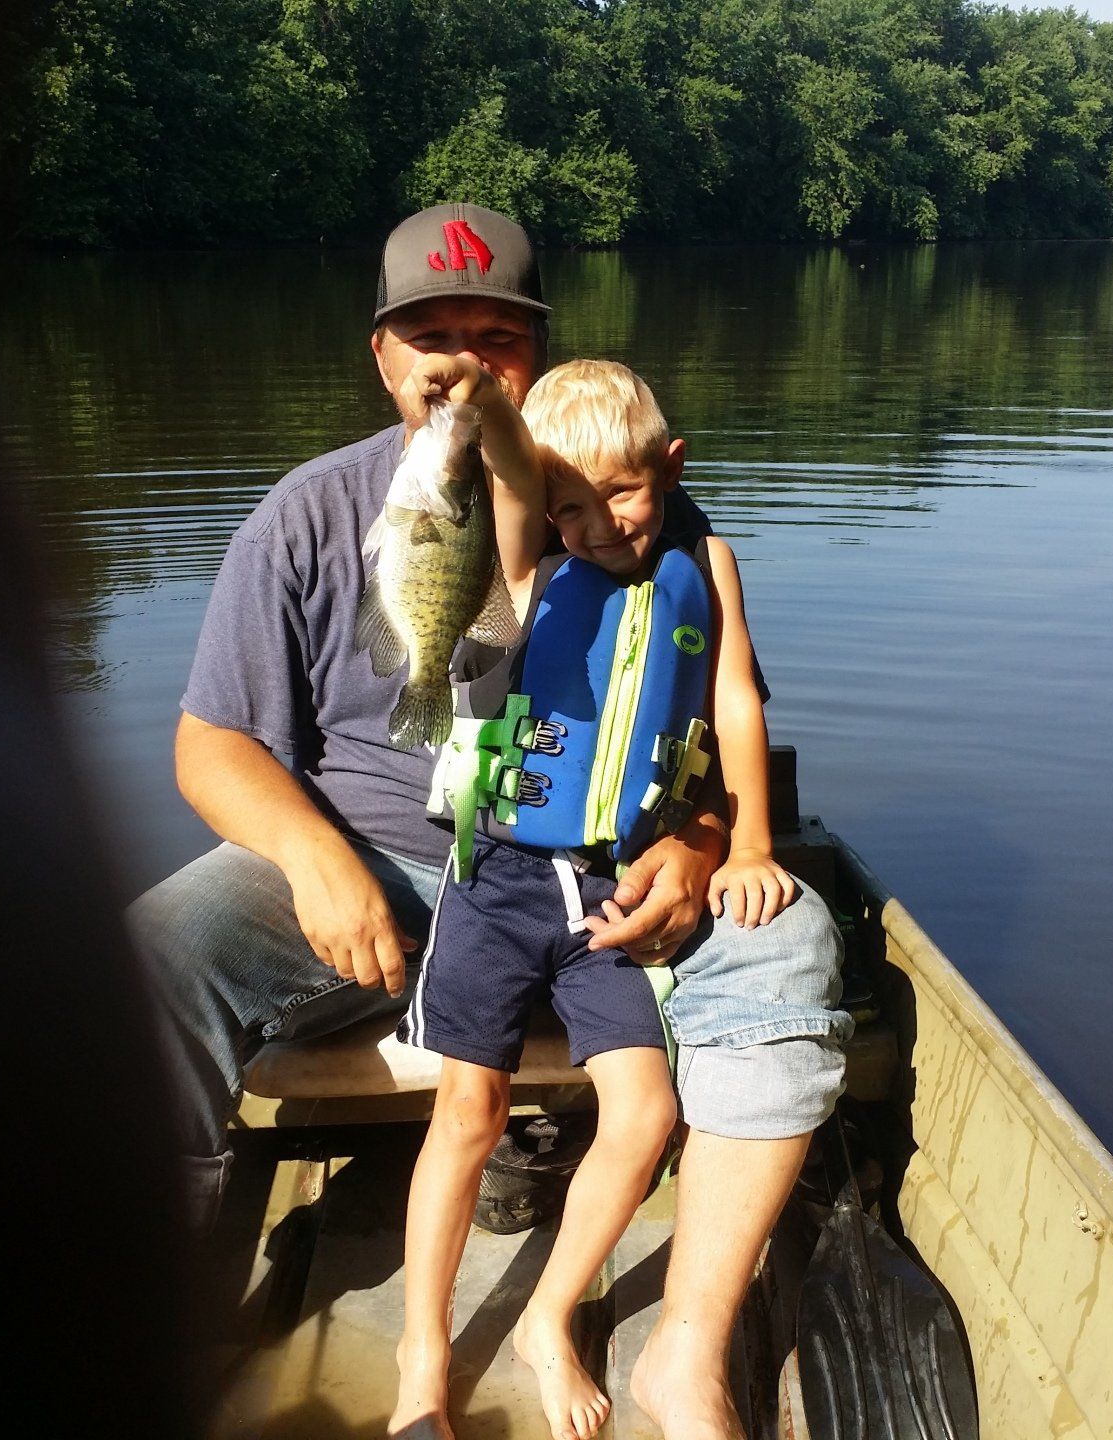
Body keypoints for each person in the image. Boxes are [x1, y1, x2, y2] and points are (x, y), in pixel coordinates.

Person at [128, 203, 852, 1440]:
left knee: (789, 941)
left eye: (493, 337)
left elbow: (708, 718)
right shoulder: (310, 513)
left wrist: (691, 845)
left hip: (605, 886)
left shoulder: (637, 512)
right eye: (429, 336)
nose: (458, 362)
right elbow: (212, 744)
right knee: (145, 963)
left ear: (536, 355)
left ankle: (685, 1351)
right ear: (382, 357)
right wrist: (315, 860)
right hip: (382, 872)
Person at [386, 358, 803, 1440]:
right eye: (569, 503)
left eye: (620, 493)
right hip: (501, 879)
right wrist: (478, 409)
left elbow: (736, 700)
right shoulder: (528, 549)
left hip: (611, 888)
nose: (595, 524)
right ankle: (421, 1360)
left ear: (671, 466)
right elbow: (521, 469)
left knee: (647, 1113)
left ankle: (545, 1316)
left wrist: (748, 841)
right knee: (467, 1114)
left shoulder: (704, 557)